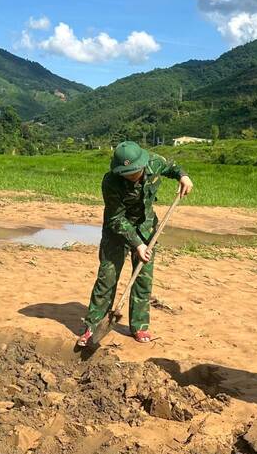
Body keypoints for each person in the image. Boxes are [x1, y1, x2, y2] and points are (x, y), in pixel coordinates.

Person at [77, 141, 193, 346]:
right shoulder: (111, 181)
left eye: (135, 171)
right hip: (117, 230)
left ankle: (139, 326)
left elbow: (172, 166)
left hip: (146, 227)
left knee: (143, 278)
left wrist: (183, 176)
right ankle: (92, 326)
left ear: (143, 163)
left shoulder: (155, 162)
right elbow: (115, 219)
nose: (132, 176)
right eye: (127, 173)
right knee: (107, 277)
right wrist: (137, 245)